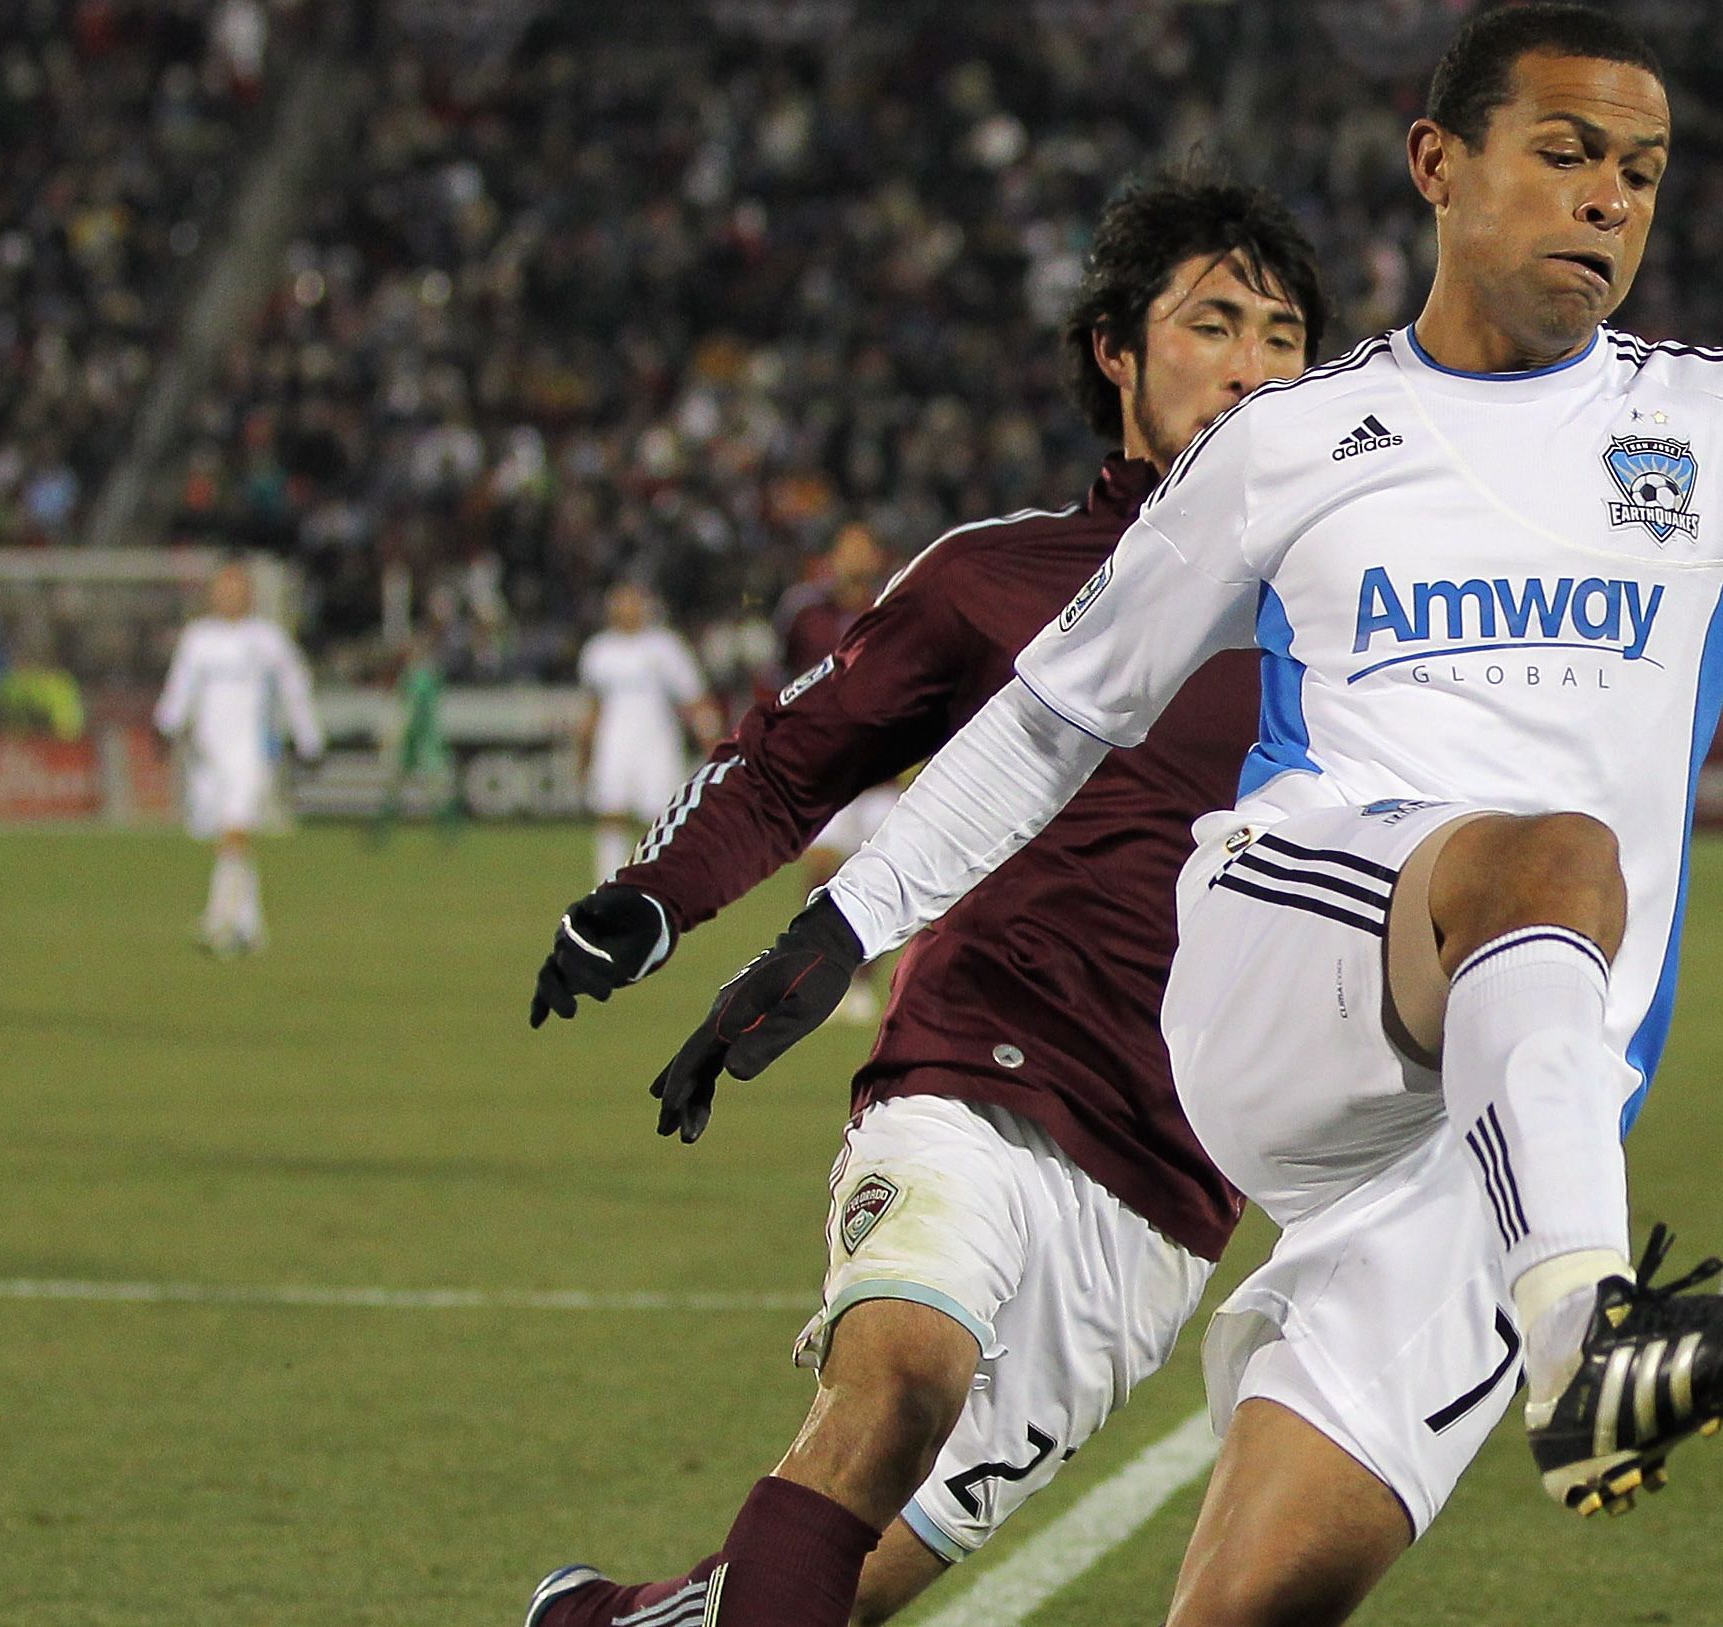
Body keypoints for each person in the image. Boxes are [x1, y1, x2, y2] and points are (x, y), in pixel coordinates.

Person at [668, 8, 1723, 1625]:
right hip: (1289, 961)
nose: (1606, 197)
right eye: (1563, 153)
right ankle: (1591, 1345)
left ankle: (1564, 1318)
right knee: (1547, 852)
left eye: (1640, 172)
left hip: (1512, 1128)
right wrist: (846, 919)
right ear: (1436, 166)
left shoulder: (1717, 432)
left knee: (1259, 1597)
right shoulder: (1287, 440)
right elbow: (1062, 706)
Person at [522, 172, 1329, 1627]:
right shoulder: (997, 579)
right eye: (1214, 324)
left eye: (1283, 336)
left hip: (1173, 1186)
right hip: (976, 1070)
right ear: (1118, 353)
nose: (1256, 366)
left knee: (834, 1578)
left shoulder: (1360, 616)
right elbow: (789, 765)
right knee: (898, 1381)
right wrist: (650, 901)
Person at [153, 561, 323, 955]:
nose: (226, 596)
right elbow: (180, 687)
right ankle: (251, 926)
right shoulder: (198, 639)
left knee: (234, 834)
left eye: (235, 589)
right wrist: (166, 726)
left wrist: (310, 739)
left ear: (249, 594)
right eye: (221, 589)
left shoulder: (267, 639)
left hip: (250, 753)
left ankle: (220, 920)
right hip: (206, 758)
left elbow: (294, 687)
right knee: (224, 836)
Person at [780, 523, 899, 1023]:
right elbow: (780, 679)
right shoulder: (804, 614)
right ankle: (821, 979)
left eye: (862, 548)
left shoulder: (897, 605)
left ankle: (863, 983)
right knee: (822, 875)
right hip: (829, 768)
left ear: (874, 556)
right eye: (846, 548)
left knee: (884, 885)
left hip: (884, 770)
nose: (854, 557)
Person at [576, 582, 721, 886]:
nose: (627, 609)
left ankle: (660, 883)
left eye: (633, 602)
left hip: (656, 743)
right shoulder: (598, 650)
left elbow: (694, 698)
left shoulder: (665, 647)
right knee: (611, 813)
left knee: (661, 817)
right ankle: (608, 884)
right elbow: (593, 707)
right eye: (621, 602)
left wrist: (713, 743)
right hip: (613, 743)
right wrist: (584, 751)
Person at [371, 629, 463, 842]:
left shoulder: (419, 678)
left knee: (430, 786)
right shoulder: (423, 676)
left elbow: (414, 711)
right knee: (408, 783)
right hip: (421, 739)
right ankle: (382, 828)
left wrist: (401, 734)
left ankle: (450, 827)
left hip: (420, 740)